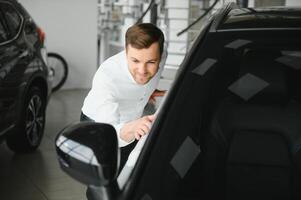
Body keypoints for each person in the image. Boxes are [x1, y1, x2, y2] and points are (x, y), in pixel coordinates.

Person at [80, 23, 166, 162]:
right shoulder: (107, 77)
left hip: (133, 121)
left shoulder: (162, 54)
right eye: (135, 60)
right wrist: (132, 128)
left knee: (128, 172)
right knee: (104, 177)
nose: (142, 70)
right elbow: (110, 133)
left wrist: (147, 91)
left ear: (160, 55)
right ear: (126, 52)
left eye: (151, 62)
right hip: (100, 124)